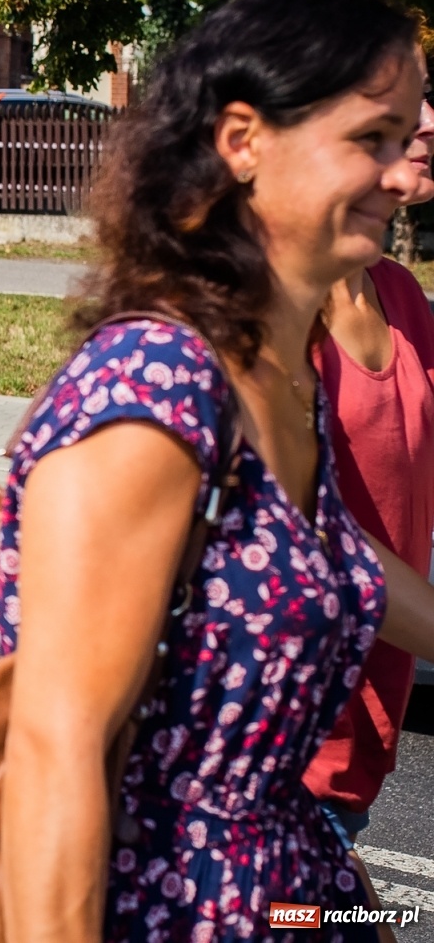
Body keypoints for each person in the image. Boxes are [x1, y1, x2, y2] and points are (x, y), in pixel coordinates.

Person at [0, 0, 434, 942]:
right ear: (243, 142)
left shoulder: (277, 378)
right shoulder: (155, 393)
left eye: (408, 142)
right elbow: (52, 759)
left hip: (292, 879)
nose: (408, 177)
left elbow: (344, 565)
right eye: (374, 140)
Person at [303, 96, 434, 894]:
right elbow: (306, 536)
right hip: (279, 770)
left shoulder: (398, 292)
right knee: (333, 921)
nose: (427, 132)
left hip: (358, 755)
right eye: (393, 111)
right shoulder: (265, 311)